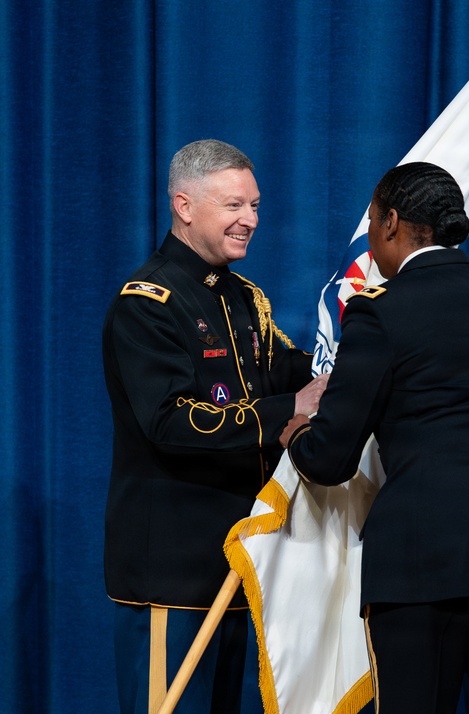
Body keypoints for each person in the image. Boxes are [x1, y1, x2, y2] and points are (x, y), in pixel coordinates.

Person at [280, 162, 469, 714]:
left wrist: (299, 432)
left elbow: (330, 459)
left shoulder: (377, 313)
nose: (371, 237)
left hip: (424, 563)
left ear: (392, 222)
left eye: (373, 222)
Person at [102, 139, 327, 714]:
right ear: (184, 205)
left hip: (241, 565)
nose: (249, 220)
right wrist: (285, 413)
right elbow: (168, 423)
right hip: (174, 575)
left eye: (254, 206)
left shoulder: (245, 300)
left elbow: (295, 370)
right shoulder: (147, 304)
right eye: (233, 206)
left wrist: (365, 358)